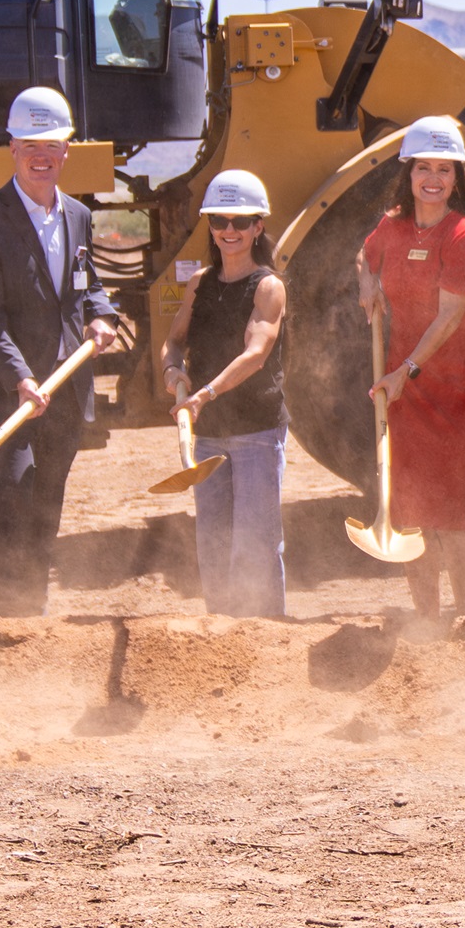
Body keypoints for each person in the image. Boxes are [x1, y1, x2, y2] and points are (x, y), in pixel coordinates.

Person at [0, 83, 130, 620]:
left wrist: (101, 314)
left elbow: (87, 282)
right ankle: (2, 622)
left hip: (64, 391)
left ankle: (34, 617)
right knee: (11, 498)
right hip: (7, 393)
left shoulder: (75, 215)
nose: (41, 156)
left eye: (52, 144)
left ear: (68, 149)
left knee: (47, 501)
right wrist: (20, 380)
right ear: (11, 147)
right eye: (30, 145)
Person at [358, 116, 465, 620]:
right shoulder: (392, 227)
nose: (432, 178)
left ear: (457, 177)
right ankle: (427, 620)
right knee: (410, 513)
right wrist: (366, 282)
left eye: (443, 168)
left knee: (453, 516)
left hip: (453, 393)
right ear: (408, 173)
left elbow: (450, 314)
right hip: (402, 394)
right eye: (423, 168)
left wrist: (405, 370)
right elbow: (364, 256)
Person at [164, 167, 291, 619]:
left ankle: (267, 636)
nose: (229, 230)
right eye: (219, 221)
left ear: (259, 226)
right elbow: (175, 340)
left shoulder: (269, 287)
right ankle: (220, 635)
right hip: (211, 435)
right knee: (214, 543)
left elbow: (256, 353)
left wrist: (203, 394)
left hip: (256, 431)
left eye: (240, 221)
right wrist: (171, 368)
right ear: (211, 227)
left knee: (254, 544)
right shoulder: (200, 282)